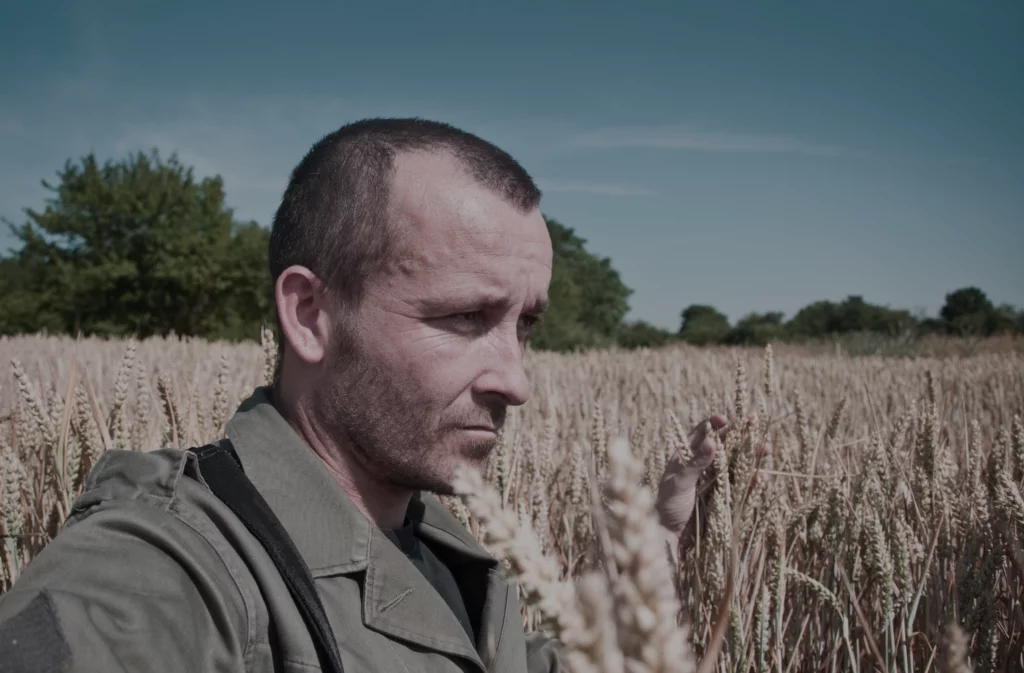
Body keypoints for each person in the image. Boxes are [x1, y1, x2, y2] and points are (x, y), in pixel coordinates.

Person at [0, 118, 729, 672]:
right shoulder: (163, 573)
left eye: (524, 324)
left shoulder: (447, 549)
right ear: (311, 315)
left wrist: (654, 539)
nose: (517, 380)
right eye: (463, 317)